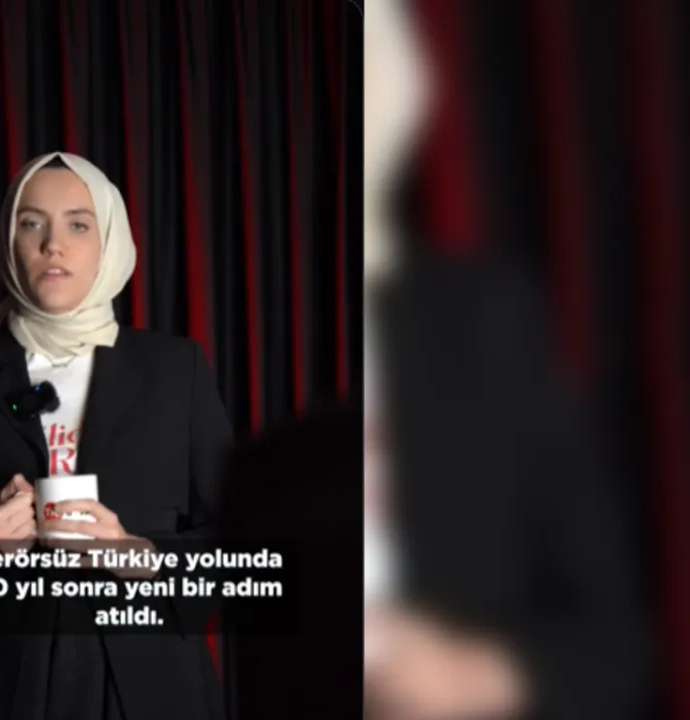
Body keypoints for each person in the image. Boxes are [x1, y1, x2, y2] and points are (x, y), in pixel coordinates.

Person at [223, 1, 650, 718]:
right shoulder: (220, 331)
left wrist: (479, 676)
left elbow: (613, 640)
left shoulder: (489, 329)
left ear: (410, 89)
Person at [0, 151, 233, 720]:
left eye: (78, 225)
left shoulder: (177, 369)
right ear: (9, 241)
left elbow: (238, 536)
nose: (53, 245)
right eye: (32, 223)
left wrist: (140, 556)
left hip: (149, 684)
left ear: (110, 242)